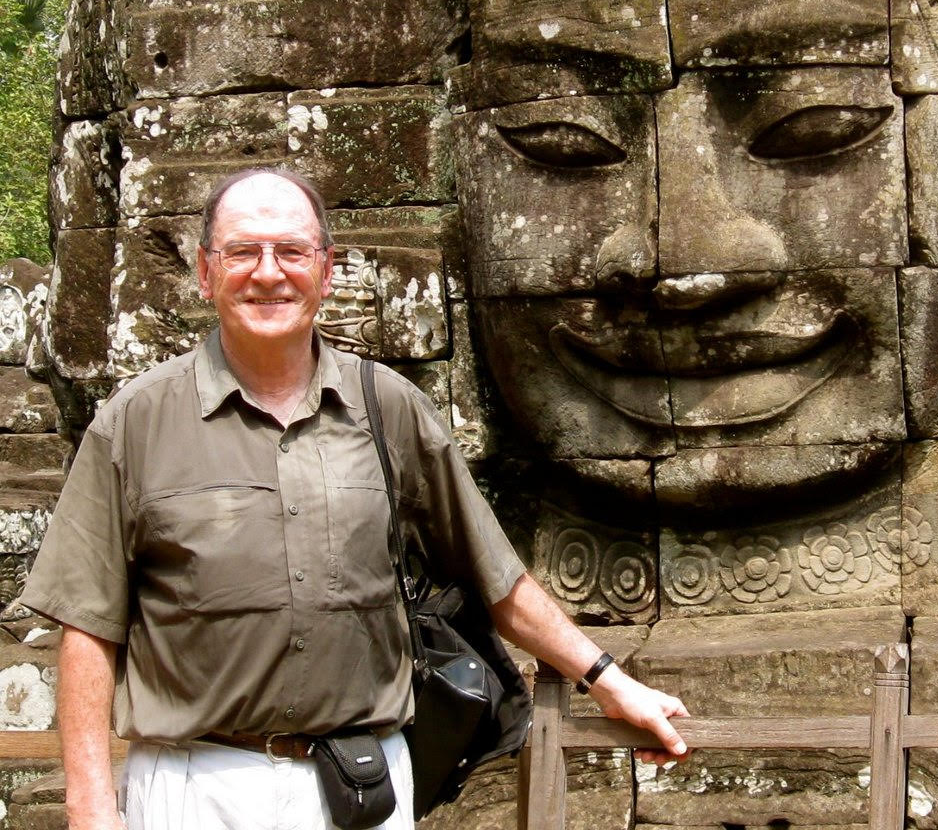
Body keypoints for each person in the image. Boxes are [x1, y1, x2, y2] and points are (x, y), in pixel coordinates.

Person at [21, 167, 689, 830]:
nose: (268, 273)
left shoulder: (387, 408)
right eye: (243, 252)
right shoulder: (135, 423)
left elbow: (496, 579)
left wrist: (609, 679)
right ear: (205, 272)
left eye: (290, 251)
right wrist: (89, 806)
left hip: (358, 786)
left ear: (326, 269)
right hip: (195, 786)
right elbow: (88, 623)